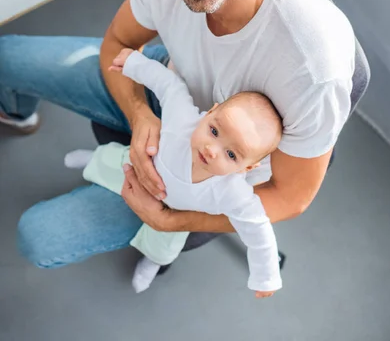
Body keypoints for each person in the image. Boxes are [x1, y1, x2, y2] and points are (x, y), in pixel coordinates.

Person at [0, 0, 355, 270]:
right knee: (6, 56)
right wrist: (140, 117)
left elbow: (291, 197)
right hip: (165, 85)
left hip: (209, 173)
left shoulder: (315, 66)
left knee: (38, 238)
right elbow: (117, 44)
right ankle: (18, 115)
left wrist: (172, 220)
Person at [65, 48, 283, 296]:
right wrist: (135, 63)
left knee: (164, 248)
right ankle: (91, 159)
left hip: (175, 211)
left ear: (247, 168)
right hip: (141, 167)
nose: (212, 150)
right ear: (210, 112)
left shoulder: (234, 192)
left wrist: (266, 276)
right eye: (214, 131)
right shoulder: (183, 119)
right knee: (109, 160)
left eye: (231, 154)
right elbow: (169, 85)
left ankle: (151, 262)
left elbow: (258, 230)